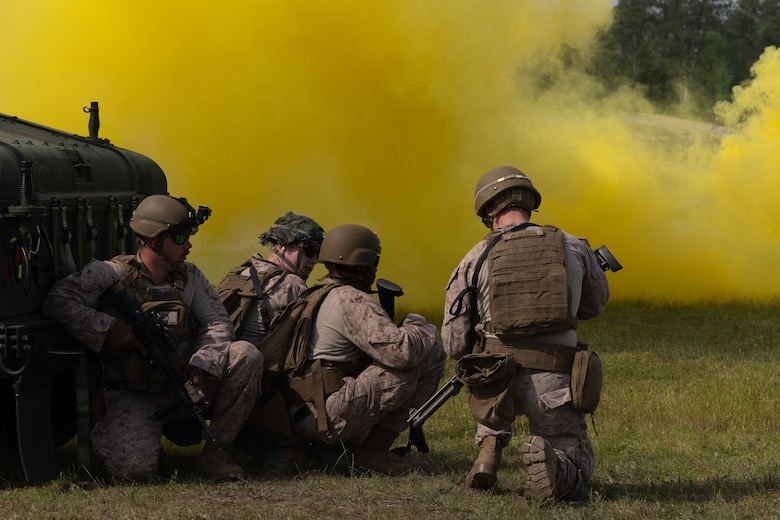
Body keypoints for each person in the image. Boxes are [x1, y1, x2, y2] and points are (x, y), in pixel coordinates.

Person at [42, 194, 263, 482]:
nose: (189, 245)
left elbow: (217, 323)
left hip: (184, 384)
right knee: (133, 470)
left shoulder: (190, 277)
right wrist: (110, 330)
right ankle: (137, 441)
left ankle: (215, 455)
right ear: (154, 240)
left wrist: (201, 365)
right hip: (133, 392)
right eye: (181, 237)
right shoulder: (111, 273)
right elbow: (58, 301)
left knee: (246, 355)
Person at [442, 166, 610, 502]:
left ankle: (488, 451)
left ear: (488, 211)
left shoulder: (473, 258)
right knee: (572, 453)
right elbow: (595, 306)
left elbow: (454, 342)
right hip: (555, 384)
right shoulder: (573, 247)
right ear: (530, 202)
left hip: (495, 384)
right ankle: (557, 470)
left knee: (492, 390)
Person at [287, 224, 447, 475]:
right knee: (426, 355)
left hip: (306, 410)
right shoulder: (352, 300)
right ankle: (374, 453)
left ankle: (344, 452)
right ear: (364, 263)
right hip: (323, 415)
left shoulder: (317, 293)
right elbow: (401, 353)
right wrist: (418, 323)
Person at [217, 211, 325, 347]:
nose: (314, 260)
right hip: (262, 365)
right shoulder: (292, 284)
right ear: (281, 246)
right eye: (310, 250)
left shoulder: (241, 273)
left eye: (318, 252)